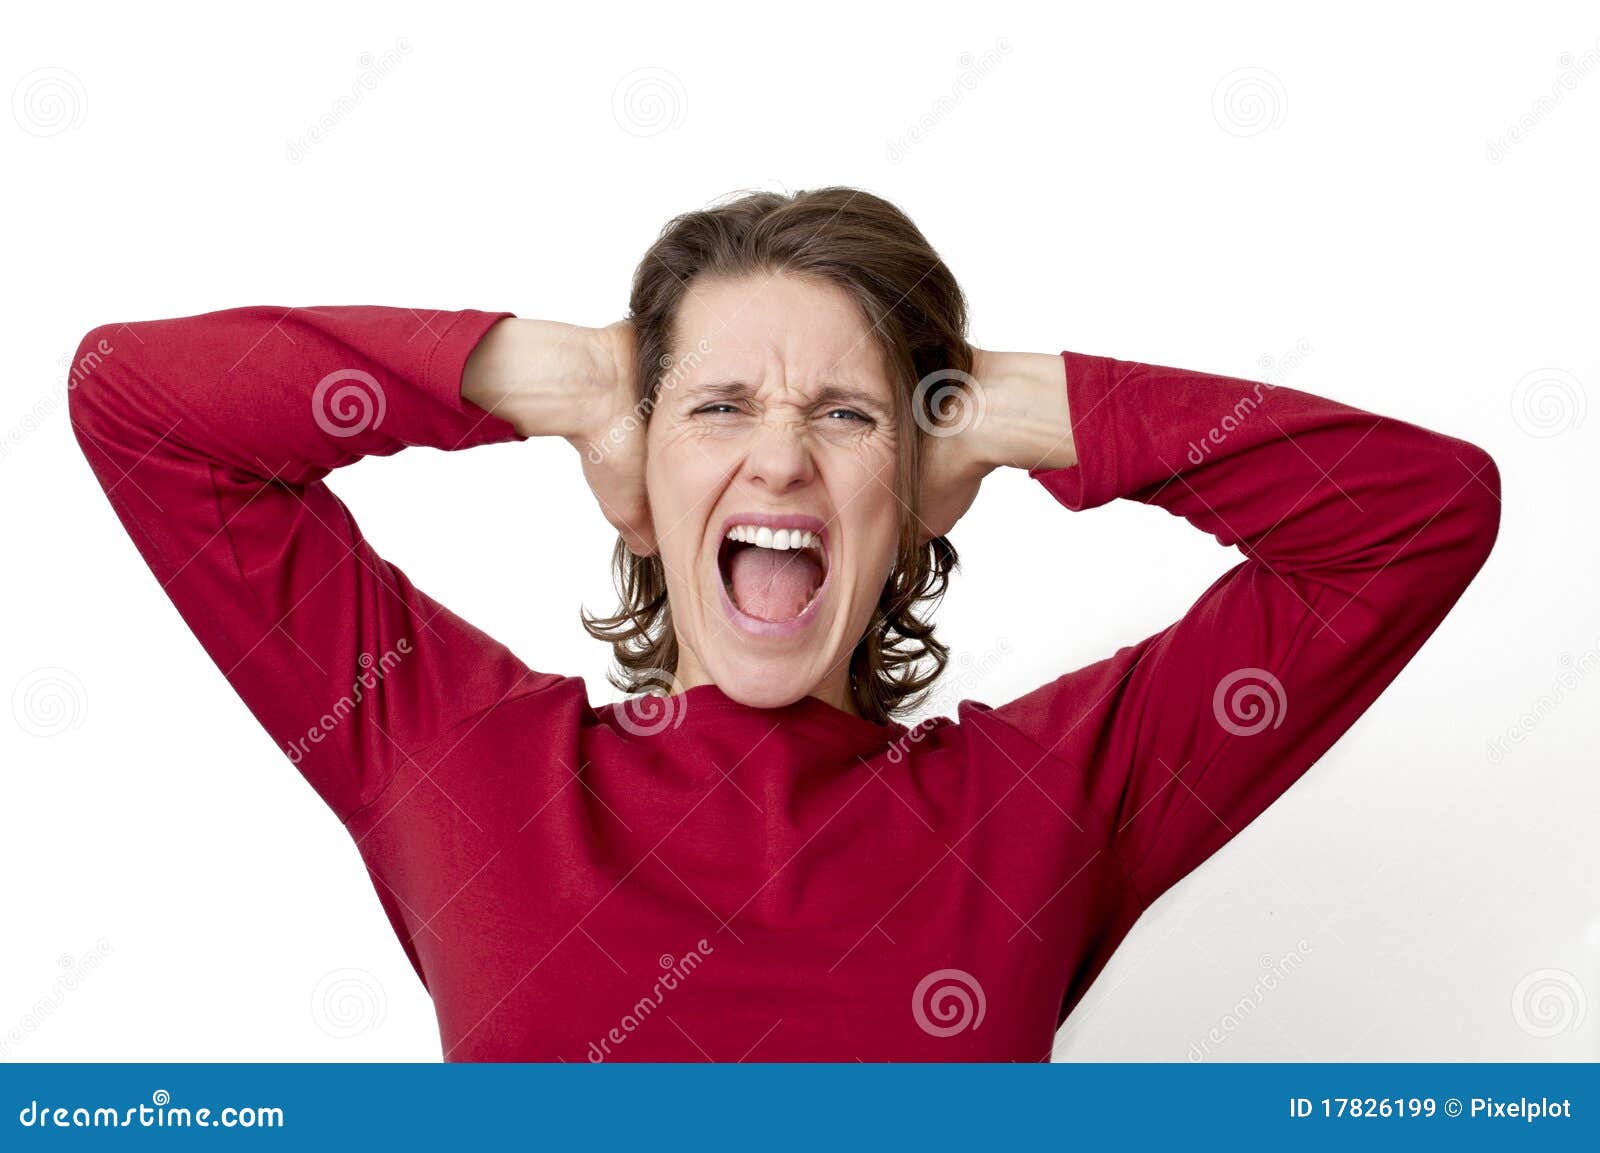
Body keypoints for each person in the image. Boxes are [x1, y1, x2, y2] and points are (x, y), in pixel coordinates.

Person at [68, 187, 1500, 1061]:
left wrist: (1000, 404)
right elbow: (139, 404)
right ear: (638, 481)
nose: (780, 460)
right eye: (717, 407)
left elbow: (1419, 514)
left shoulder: (1043, 806)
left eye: (846, 414)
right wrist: (560, 377)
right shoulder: (457, 758)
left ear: (920, 493)